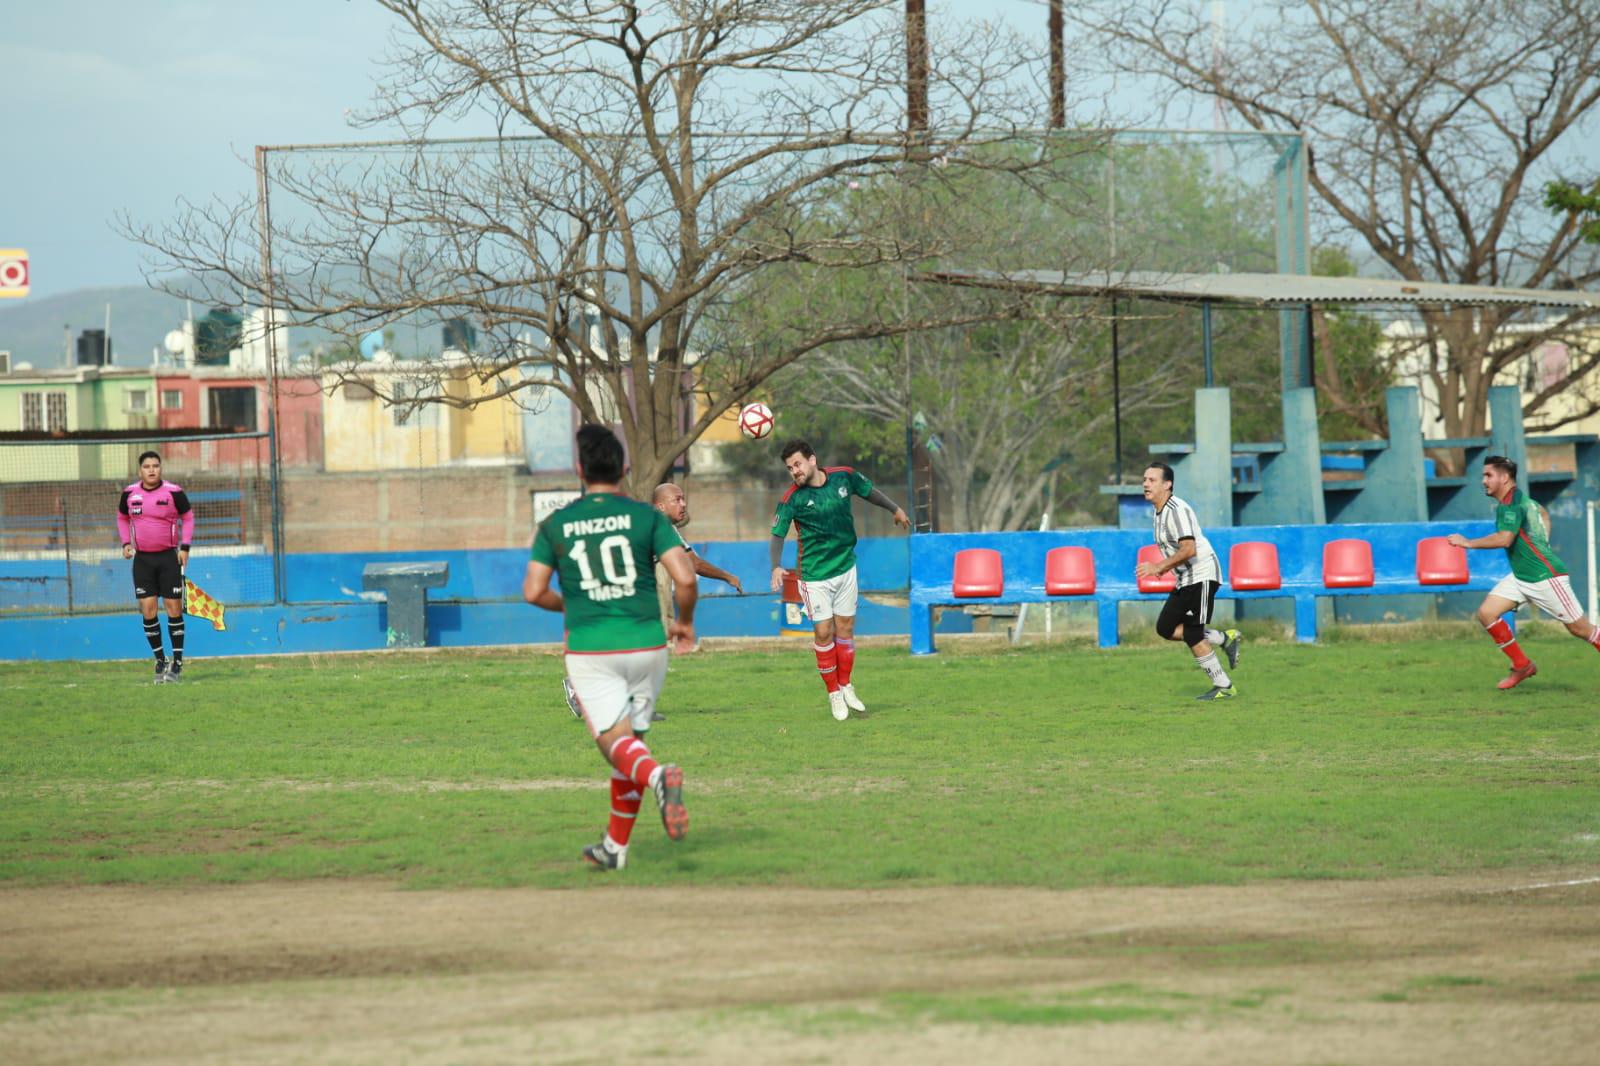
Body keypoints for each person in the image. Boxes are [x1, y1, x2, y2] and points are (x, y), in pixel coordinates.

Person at [523, 424, 698, 871]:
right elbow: (685, 578)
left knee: (614, 746)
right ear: (623, 468)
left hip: (592, 648)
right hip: (647, 644)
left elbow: (533, 591)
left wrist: (573, 604)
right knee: (631, 746)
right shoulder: (649, 518)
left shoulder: (557, 523)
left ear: (580, 470)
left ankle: (660, 777)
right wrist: (685, 623)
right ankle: (615, 849)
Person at [768, 439, 910, 721]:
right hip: (815, 575)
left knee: (845, 629)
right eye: (789, 468)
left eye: (797, 464)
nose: (794, 471)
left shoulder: (843, 476)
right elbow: (777, 535)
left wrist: (895, 508)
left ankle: (846, 685)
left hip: (845, 566)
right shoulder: (791, 499)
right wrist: (775, 566)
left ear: (812, 460)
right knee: (823, 632)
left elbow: (869, 492)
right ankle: (833, 693)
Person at [1447, 455, 1600, 690]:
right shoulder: (1520, 500)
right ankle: (1522, 665)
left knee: (1581, 629)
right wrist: (1541, 544)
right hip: (1522, 576)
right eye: (1483, 475)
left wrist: (1468, 543)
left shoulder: (1512, 504)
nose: (1483, 481)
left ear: (1505, 477)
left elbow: (1505, 539)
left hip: (1545, 577)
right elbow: (1543, 513)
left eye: (1488, 475)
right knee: (1487, 613)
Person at [1134, 462, 1242, 701]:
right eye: (1144, 479)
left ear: (1167, 484)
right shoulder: (1159, 511)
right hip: (1186, 577)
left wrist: (1159, 567)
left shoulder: (1176, 509)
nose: (1145, 484)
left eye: (1152, 480)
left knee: (1193, 634)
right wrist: (1169, 567)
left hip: (1202, 574)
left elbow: (1189, 548)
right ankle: (1225, 638)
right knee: (1165, 628)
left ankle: (1223, 686)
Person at [117, 451, 193, 683]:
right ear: (140, 470)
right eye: (147, 466)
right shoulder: (130, 493)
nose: (152, 470)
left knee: (174, 609)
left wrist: (185, 547)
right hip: (142, 562)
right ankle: (161, 660)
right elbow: (122, 517)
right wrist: (126, 543)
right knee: (148, 610)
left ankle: (177, 664)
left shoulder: (174, 492)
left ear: (161, 469)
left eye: (156, 466)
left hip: (168, 559)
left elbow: (188, 517)